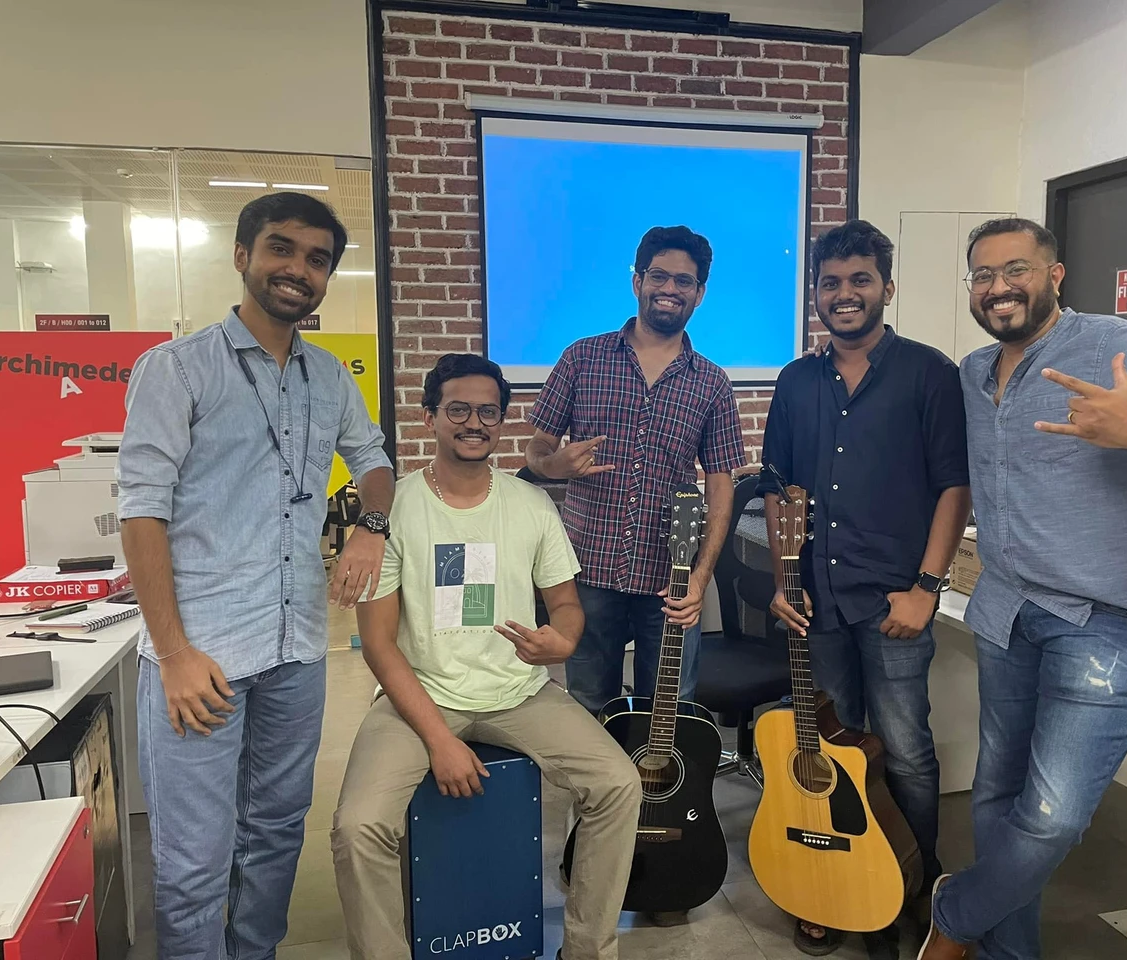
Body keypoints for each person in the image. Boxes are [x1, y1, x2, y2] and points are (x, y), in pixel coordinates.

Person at [917, 218, 1127, 960]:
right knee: (997, 801)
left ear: (1055, 275)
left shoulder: (1115, 348)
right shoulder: (973, 372)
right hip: (1008, 609)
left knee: (1051, 817)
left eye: (1016, 269)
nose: (998, 287)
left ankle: (956, 914)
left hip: (1108, 621)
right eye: (982, 275)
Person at [117, 192, 395, 960]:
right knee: (194, 862)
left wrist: (370, 529)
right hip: (200, 656)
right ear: (243, 256)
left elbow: (374, 462)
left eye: (317, 259)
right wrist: (173, 653)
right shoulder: (177, 369)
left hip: (297, 649)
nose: (297, 269)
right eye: (281, 248)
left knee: (275, 835)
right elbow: (142, 514)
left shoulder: (329, 376)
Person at [330, 353, 642, 960]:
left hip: (518, 692)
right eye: (458, 410)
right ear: (429, 418)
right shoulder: (394, 512)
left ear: (502, 422)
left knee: (618, 784)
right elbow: (379, 644)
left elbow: (566, 605)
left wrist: (563, 640)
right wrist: (439, 741)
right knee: (358, 827)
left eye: (488, 412)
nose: (474, 423)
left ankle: (586, 950)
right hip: (420, 694)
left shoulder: (531, 505)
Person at [759, 221, 971, 957]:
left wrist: (927, 588)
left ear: (887, 287)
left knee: (904, 750)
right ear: (815, 292)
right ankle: (841, 878)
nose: (843, 294)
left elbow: (954, 486)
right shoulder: (795, 382)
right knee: (836, 745)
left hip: (892, 604)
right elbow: (780, 489)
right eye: (830, 283)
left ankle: (914, 884)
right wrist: (784, 581)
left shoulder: (929, 373)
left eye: (859, 280)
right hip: (816, 602)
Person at [525, 225, 746, 718]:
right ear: (637, 282)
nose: (670, 289)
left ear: (699, 294)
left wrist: (700, 577)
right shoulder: (581, 358)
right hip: (588, 571)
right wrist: (554, 465)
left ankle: (656, 776)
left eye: (684, 281)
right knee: (587, 708)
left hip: (670, 578)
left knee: (670, 712)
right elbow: (537, 449)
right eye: (659, 276)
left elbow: (720, 485)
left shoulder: (712, 383)